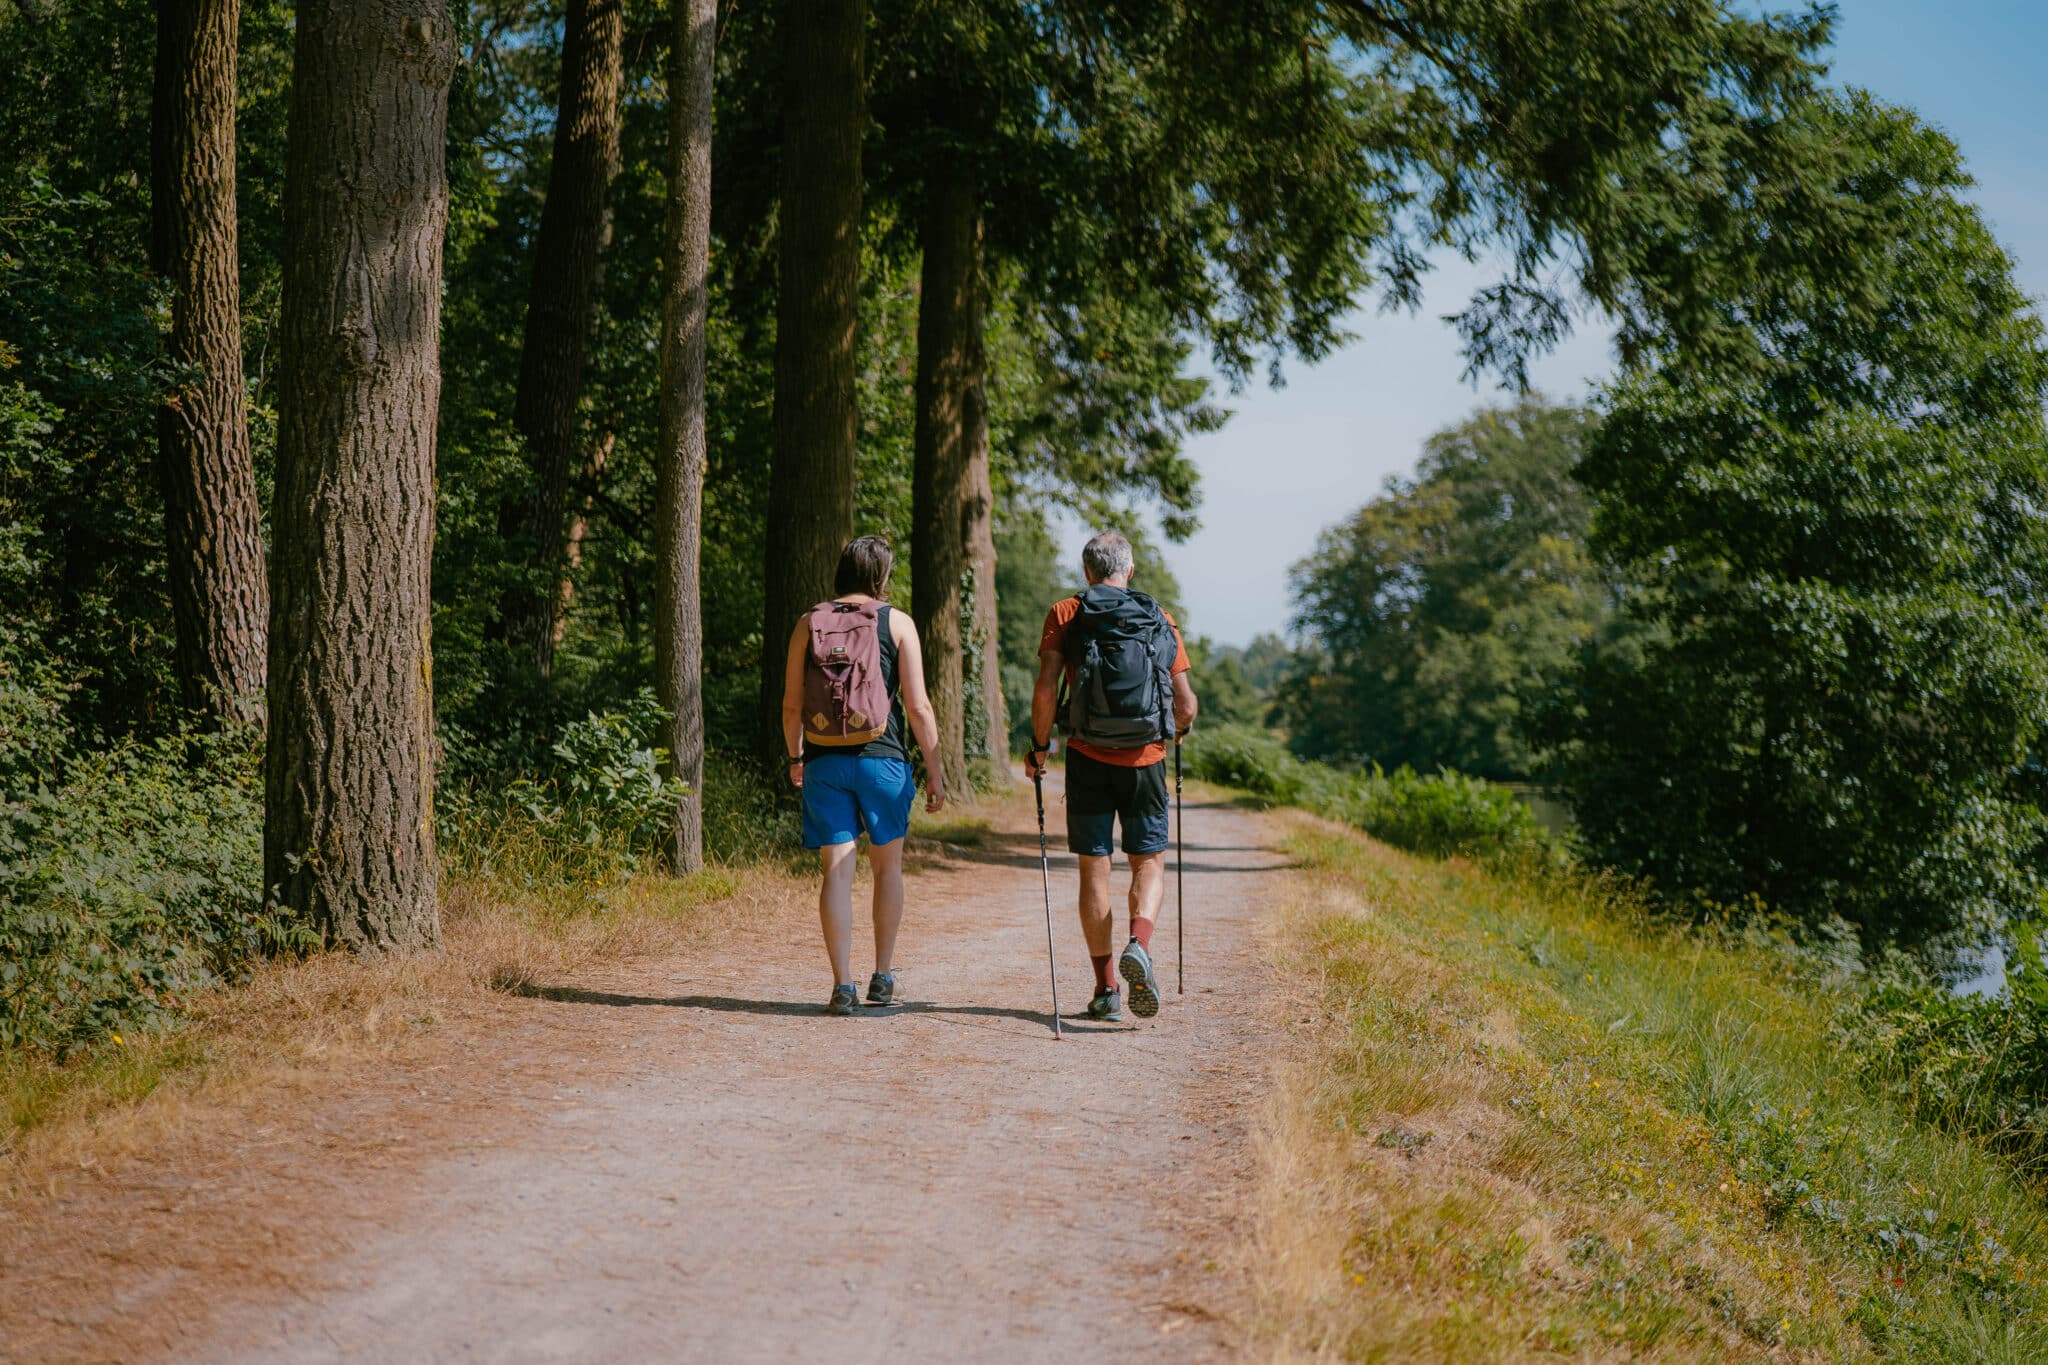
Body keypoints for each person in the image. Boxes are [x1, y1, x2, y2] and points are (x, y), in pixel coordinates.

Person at [1024, 531, 1198, 1022]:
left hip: (1086, 756)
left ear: (1087, 571)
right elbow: (1186, 705)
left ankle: (1106, 990)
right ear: (1130, 570)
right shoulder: (1158, 616)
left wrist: (1039, 748)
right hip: (1146, 759)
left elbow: (1046, 688)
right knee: (1149, 862)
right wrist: (1178, 730)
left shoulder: (1066, 613)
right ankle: (1139, 944)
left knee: (1094, 868)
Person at [781, 536, 945, 1015]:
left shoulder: (808, 623)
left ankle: (842, 985)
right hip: (884, 761)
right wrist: (935, 771)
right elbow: (918, 706)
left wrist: (796, 757)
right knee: (887, 868)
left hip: (824, 761)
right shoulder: (898, 622)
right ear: (882, 575)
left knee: (836, 869)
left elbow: (791, 705)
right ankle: (883, 975)